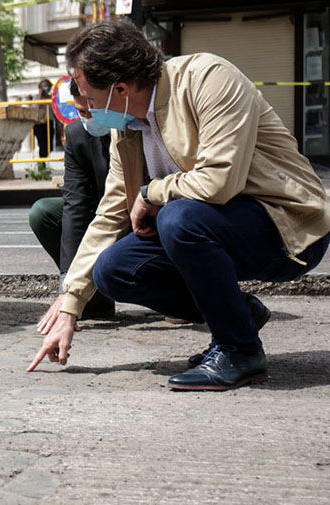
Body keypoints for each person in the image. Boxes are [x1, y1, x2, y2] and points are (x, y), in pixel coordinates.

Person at [27, 20, 330, 391]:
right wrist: (70, 303)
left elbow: (218, 181)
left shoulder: (209, 79)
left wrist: (150, 194)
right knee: (114, 269)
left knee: (178, 216)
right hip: (213, 224)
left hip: (288, 228)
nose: (87, 110)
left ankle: (240, 351)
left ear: (120, 89)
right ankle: (240, 314)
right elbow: (109, 213)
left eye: (89, 100)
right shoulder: (127, 126)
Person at [28, 79, 115, 319]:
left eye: (91, 110)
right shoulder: (77, 135)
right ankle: (94, 298)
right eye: (80, 112)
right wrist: (68, 285)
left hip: (140, 216)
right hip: (101, 217)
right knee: (43, 212)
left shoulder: (136, 126)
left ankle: (179, 292)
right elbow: (75, 205)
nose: (87, 118)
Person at [32, 79, 56, 159]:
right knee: (42, 144)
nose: (46, 88)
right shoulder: (36, 97)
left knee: (49, 145)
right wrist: (40, 94)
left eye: (48, 86)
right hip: (39, 123)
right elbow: (35, 107)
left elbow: (53, 111)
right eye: (44, 86)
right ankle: (42, 164)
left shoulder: (50, 97)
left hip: (49, 122)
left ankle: (44, 158)